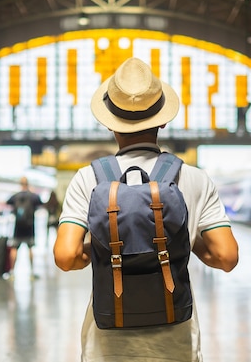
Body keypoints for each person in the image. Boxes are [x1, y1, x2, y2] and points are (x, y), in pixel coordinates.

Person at [53, 57, 239, 362]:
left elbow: (65, 256)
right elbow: (226, 257)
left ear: (109, 122)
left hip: (107, 344)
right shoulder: (193, 178)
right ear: (163, 120)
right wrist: (181, 238)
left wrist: (99, 247)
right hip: (175, 340)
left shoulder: (89, 178)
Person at [6, 176, 43, 278]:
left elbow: (8, 202)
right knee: (30, 249)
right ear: (28, 184)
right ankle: (31, 272)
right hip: (29, 227)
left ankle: (12, 273)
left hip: (17, 227)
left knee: (14, 249)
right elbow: (40, 202)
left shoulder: (15, 196)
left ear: (20, 184)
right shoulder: (33, 196)